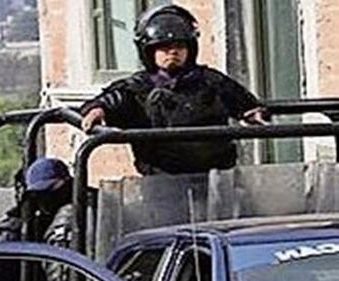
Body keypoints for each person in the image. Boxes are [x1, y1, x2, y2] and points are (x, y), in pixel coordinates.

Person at [80, 4, 268, 175]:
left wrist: (252, 112)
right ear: (149, 52)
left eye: (179, 46)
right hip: (162, 178)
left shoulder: (210, 81)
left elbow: (243, 102)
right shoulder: (137, 87)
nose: (173, 52)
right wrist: (97, 110)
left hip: (215, 174)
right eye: (163, 48)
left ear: (190, 49)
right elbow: (113, 99)